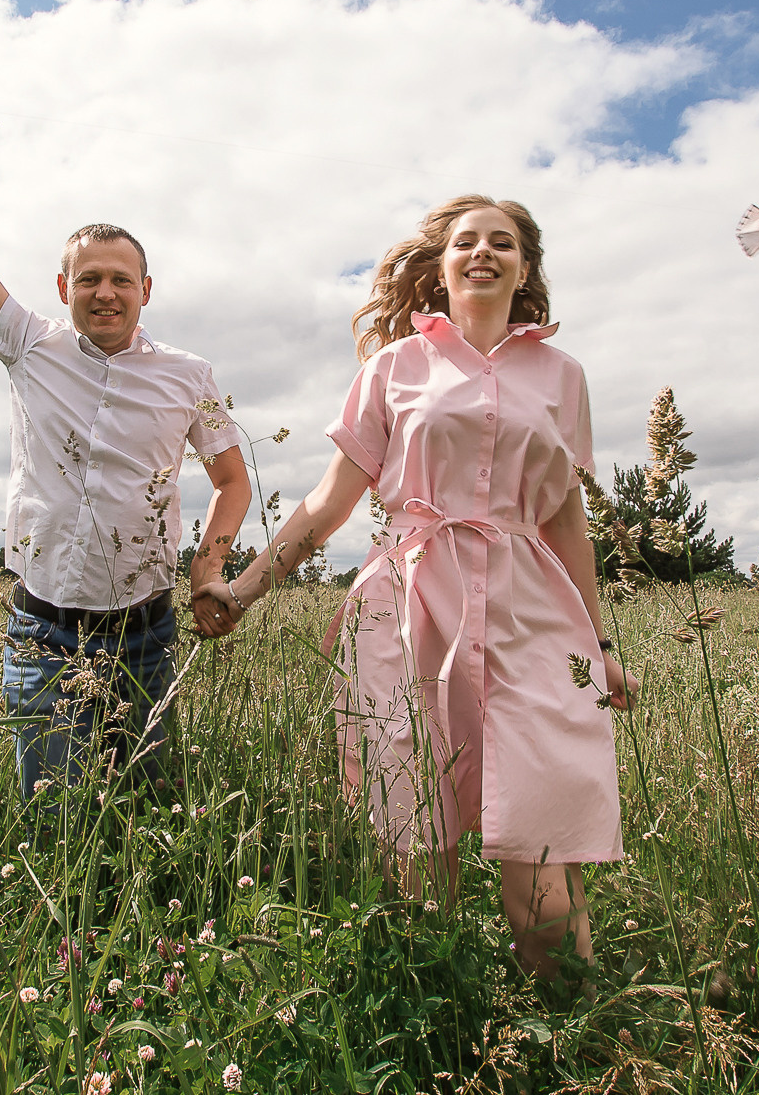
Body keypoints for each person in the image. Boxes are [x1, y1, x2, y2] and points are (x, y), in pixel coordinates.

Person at [199, 193, 640, 980]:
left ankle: (571, 1040)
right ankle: (440, 1032)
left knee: (544, 871)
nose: (483, 253)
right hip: (405, 605)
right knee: (416, 852)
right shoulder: (394, 367)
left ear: (525, 266)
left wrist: (600, 647)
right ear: (439, 267)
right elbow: (331, 501)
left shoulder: (562, 375)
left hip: (531, 611)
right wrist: (243, 588)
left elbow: (568, 522)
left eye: (501, 243)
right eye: (466, 242)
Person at [0, 110, 252, 799]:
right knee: (55, 816)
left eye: (122, 279)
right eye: (90, 278)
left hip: (147, 634)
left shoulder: (190, 375)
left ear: (146, 291)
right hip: (45, 630)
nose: (106, 292)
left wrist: (208, 565)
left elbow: (232, 479)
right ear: (64, 287)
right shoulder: (28, 346)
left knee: (146, 809)